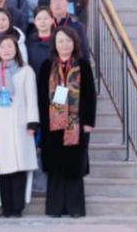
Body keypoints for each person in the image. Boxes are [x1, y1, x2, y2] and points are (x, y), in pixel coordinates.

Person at [37, 27, 96, 218]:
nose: (65, 44)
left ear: (75, 43)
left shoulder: (83, 66)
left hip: (76, 123)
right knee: (55, 165)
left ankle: (74, 208)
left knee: (74, 165)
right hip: (52, 124)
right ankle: (55, 208)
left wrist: (88, 122)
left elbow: (90, 95)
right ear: (55, 44)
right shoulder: (47, 66)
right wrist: (42, 123)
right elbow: (41, 97)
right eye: (61, 41)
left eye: (68, 41)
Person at [0, 36, 39, 218]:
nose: (6, 50)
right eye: (2, 47)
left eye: (10, 46)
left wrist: (32, 122)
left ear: (16, 49)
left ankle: (17, 208)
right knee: (3, 169)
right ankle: (6, 207)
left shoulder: (26, 71)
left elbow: (31, 98)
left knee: (18, 167)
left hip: (20, 125)